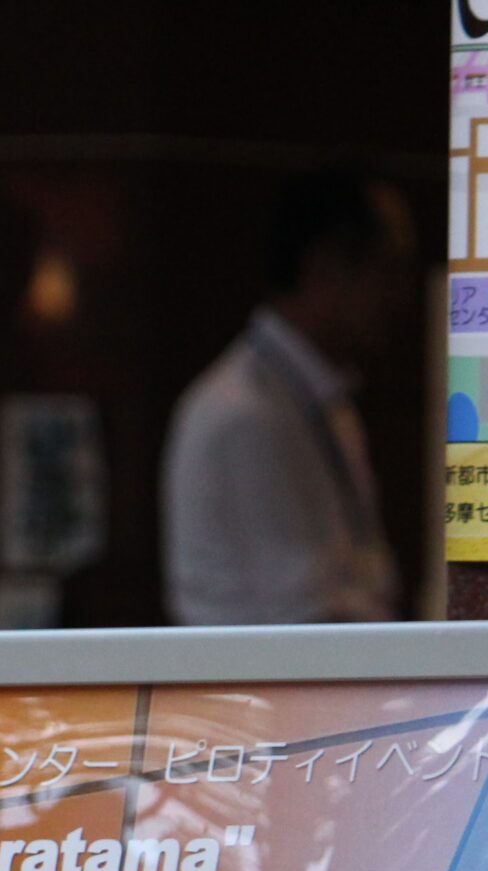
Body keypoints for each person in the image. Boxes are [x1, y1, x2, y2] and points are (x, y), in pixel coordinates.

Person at [162, 167, 419, 626]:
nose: (402, 295)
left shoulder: (322, 398)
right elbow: (303, 613)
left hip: (330, 662)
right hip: (267, 671)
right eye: (389, 269)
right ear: (325, 267)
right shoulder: (242, 412)